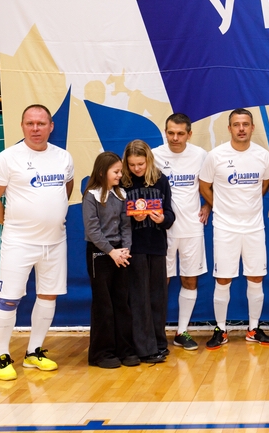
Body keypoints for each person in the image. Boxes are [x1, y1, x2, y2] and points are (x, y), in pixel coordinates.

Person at [0, 104, 74, 381]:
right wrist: (14, 224)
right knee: (8, 299)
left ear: (51, 127)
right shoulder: (7, 158)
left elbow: (66, 189)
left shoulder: (63, 157)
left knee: (48, 295)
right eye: (30, 123)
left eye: (41, 123)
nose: (35, 128)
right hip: (19, 243)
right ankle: (1, 357)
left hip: (55, 242)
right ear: (22, 126)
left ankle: (34, 352)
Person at [199, 108, 269, 349]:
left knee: (256, 277)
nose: (241, 128)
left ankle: (253, 329)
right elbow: (204, 186)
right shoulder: (216, 156)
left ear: (252, 127)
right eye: (236, 124)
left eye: (245, 124)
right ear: (229, 128)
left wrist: (247, 205)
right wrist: (220, 207)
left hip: (254, 227)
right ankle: (221, 330)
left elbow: (264, 185)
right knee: (223, 279)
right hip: (225, 228)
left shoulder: (263, 156)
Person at [153, 113, 210, 351]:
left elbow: (210, 185)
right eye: (170, 133)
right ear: (165, 132)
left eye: (180, 133)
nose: (175, 138)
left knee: (190, 279)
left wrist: (208, 205)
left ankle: (181, 332)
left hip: (192, 227)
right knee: (160, 281)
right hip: (161, 230)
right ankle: (155, 334)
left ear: (189, 134)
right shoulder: (154, 156)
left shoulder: (200, 155)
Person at [82, 152, 140, 369]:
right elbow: (93, 230)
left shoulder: (121, 194)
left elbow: (126, 226)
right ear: (101, 172)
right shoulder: (91, 196)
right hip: (100, 255)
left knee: (122, 302)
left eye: (120, 171)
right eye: (115, 172)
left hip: (120, 254)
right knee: (103, 305)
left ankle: (125, 349)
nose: (120, 175)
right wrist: (111, 252)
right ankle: (101, 353)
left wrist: (125, 250)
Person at [122, 140, 175, 363]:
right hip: (134, 247)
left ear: (149, 161)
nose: (136, 168)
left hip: (157, 245)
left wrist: (162, 219)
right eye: (132, 164)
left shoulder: (161, 180)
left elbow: (170, 214)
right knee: (139, 298)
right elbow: (116, 218)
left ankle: (159, 343)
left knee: (157, 297)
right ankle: (144, 349)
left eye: (141, 164)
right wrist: (132, 218)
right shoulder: (123, 183)